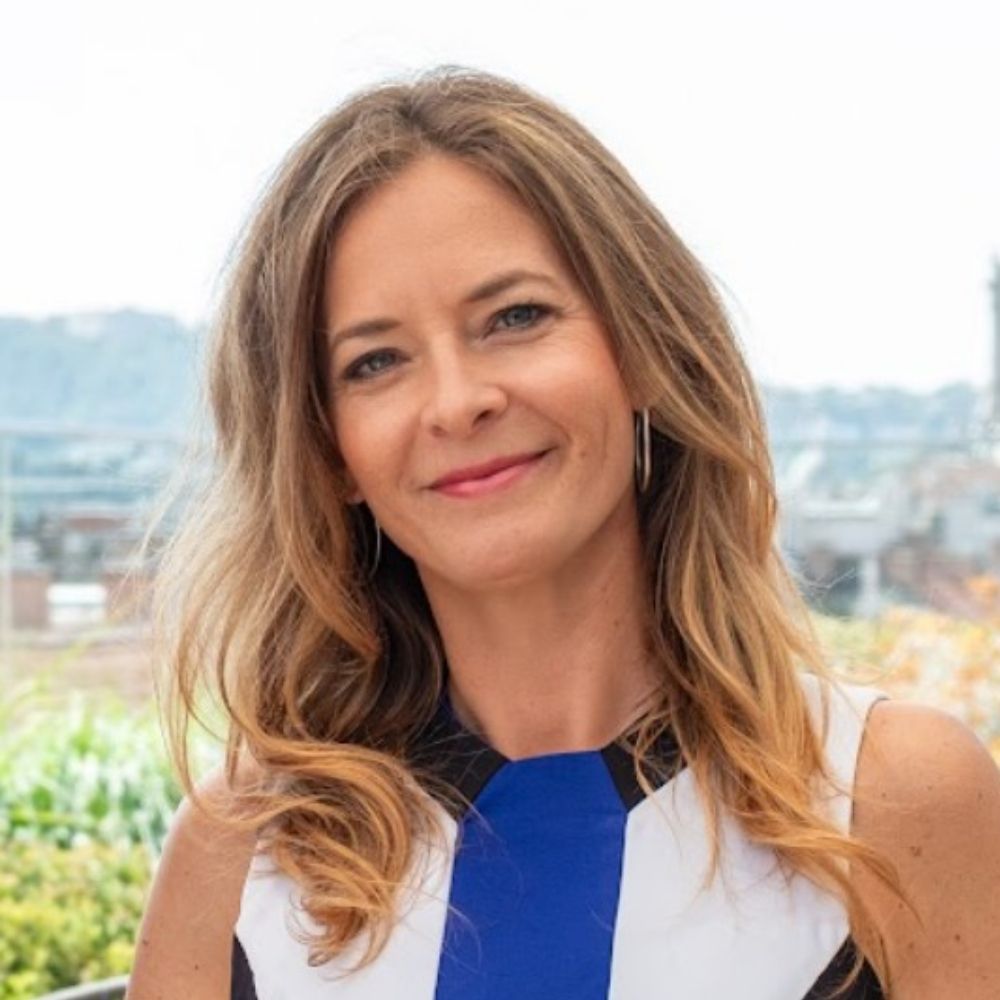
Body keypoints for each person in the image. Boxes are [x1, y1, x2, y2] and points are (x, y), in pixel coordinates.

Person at [126, 65, 1000, 999]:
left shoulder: (894, 797)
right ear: (327, 450)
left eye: (515, 317)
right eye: (375, 362)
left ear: (644, 348)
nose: (457, 402)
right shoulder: (240, 859)